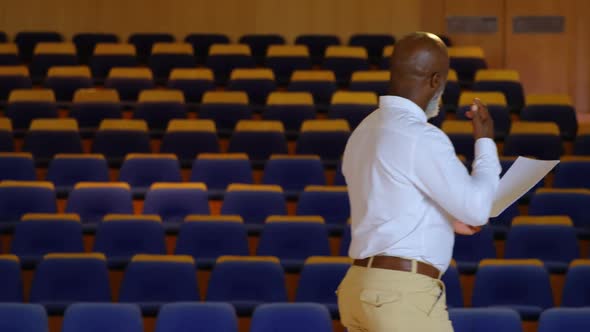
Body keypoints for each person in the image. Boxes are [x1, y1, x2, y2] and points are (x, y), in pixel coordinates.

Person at [337, 32, 501, 332]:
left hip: (358, 287)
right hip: (401, 294)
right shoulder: (421, 136)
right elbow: (478, 210)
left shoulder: (363, 131)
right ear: (436, 81)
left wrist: (447, 219)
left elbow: (390, 201)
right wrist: (486, 144)